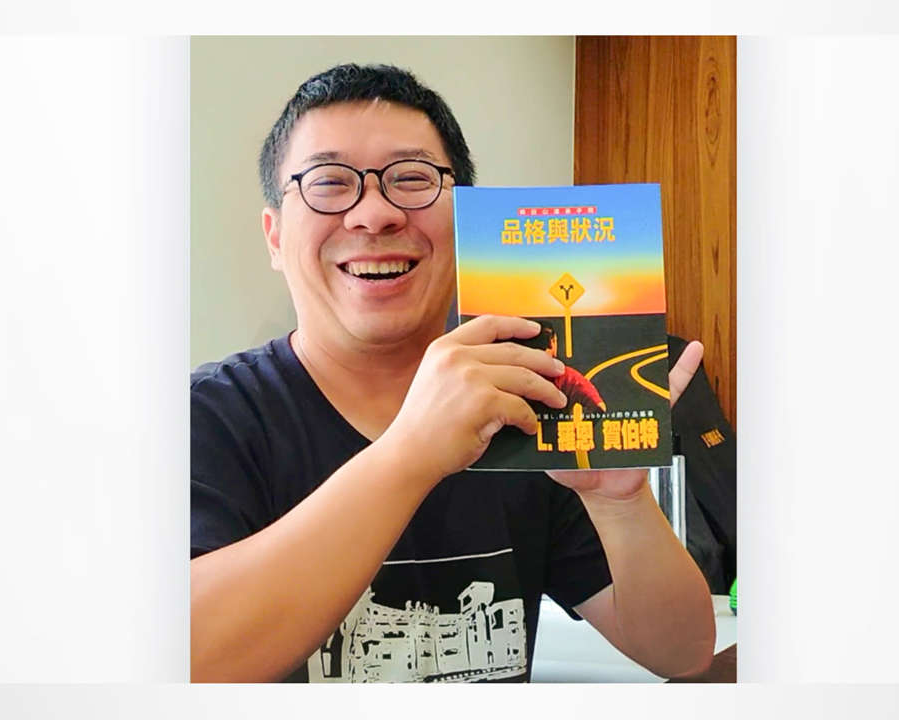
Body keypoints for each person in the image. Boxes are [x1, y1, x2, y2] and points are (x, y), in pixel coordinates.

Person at [189, 63, 715, 683]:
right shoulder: (210, 417)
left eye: (411, 179)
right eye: (329, 183)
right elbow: (185, 659)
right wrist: (413, 451)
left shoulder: (528, 402)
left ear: (466, 227)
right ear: (275, 237)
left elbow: (682, 653)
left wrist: (620, 502)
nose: (374, 214)